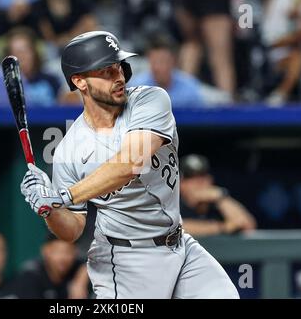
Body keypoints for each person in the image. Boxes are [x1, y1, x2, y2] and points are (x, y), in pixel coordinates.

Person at [20, 31, 239, 299]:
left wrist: (62, 196)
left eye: (119, 67)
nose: (119, 77)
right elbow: (72, 229)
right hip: (125, 261)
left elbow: (130, 163)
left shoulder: (150, 100)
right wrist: (48, 209)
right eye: (106, 71)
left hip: (179, 245)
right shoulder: (69, 150)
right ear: (80, 81)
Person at [179, 154, 257, 237]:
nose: (199, 181)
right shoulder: (172, 204)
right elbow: (174, 229)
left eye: (202, 175)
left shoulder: (218, 205)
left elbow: (246, 225)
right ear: (180, 182)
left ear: (210, 179)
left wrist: (221, 197)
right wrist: (222, 227)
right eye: (191, 177)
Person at [129, 35, 206, 108]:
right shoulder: (136, 88)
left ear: (173, 62)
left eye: (162, 61)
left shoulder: (190, 89)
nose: (157, 67)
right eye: (154, 62)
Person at [14, 232, 89, 299]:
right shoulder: (31, 275)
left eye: (68, 251)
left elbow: (90, 264)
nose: (63, 257)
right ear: (45, 251)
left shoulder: (76, 267)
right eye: (58, 251)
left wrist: (81, 280)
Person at [5, 27, 61, 107]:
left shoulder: (51, 81)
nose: (22, 56)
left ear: (34, 53)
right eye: (16, 52)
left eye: (26, 50)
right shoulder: (3, 85)